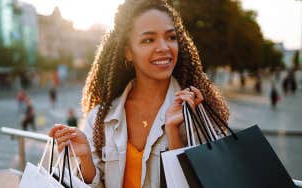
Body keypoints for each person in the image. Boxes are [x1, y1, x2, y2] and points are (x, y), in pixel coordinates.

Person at [49, 0, 229, 187]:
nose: (164, 47)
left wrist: (174, 135)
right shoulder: (100, 117)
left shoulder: (194, 113)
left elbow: (205, 182)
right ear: (128, 52)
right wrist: (85, 158)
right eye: (148, 40)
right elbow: (96, 183)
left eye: (171, 37)